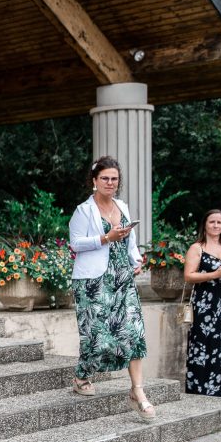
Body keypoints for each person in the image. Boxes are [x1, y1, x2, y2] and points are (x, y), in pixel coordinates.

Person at [68, 156, 152, 418]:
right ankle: (82, 376)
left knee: (134, 332)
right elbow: (75, 243)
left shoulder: (122, 206)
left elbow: (130, 241)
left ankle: (137, 391)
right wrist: (106, 237)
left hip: (122, 277)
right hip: (92, 281)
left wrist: (136, 261)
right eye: (104, 178)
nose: (110, 182)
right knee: (97, 337)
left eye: (114, 178)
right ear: (94, 180)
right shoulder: (83, 210)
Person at [183, 209, 221, 398]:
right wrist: (215, 274)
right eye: (212, 222)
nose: (216, 225)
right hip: (206, 304)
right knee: (203, 344)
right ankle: (200, 390)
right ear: (205, 225)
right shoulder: (197, 247)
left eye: (219, 222)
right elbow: (188, 276)